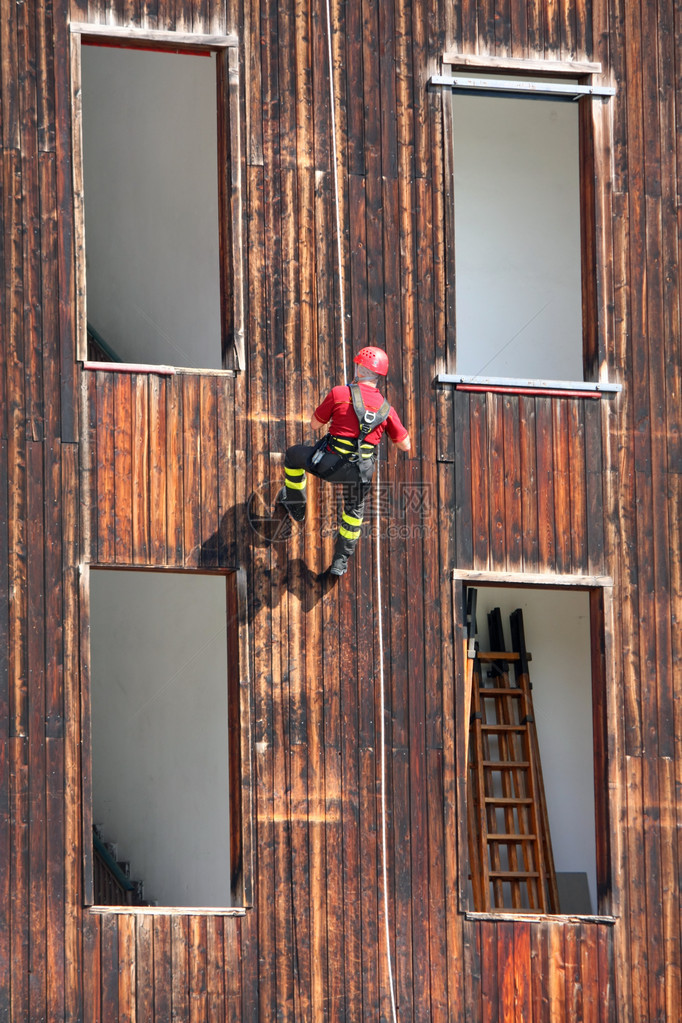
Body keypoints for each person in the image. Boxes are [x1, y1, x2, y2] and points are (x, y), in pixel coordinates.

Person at [278, 346, 411, 576]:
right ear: (379, 376)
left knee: (292, 456)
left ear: (360, 369)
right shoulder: (387, 410)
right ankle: (340, 562)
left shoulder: (340, 394)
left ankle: (296, 506)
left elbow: (314, 424)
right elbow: (405, 445)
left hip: (329, 465)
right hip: (359, 474)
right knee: (354, 512)